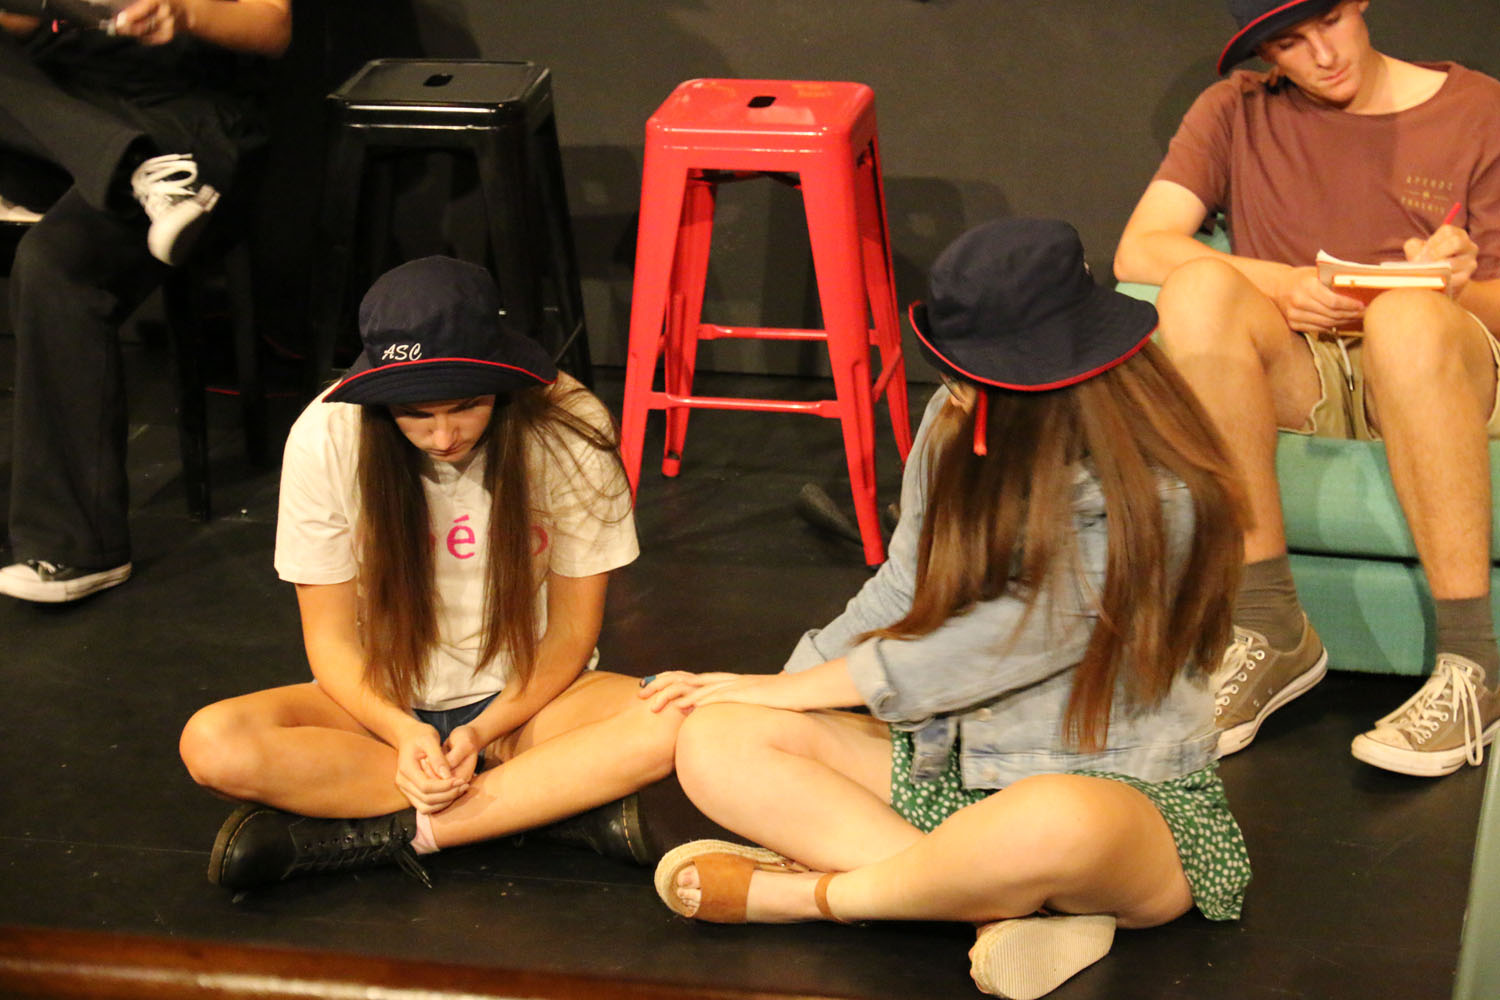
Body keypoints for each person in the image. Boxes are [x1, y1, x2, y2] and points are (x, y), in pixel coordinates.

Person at [637, 219, 1252, 1000]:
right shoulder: (958, 417)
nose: (955, 391)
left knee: (1052, 819)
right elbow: (904, 591)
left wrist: (789, 691)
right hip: (950, 767)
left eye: (978, 377)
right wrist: (776, 691)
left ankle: (813, 897)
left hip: (1117, 798)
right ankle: (989, 911)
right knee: (718, 738)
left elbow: (998, 644)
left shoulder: (1164, 495)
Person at [178, 256, 683, 890]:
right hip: (379, 713)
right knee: (214, 743)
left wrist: (482, 730)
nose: (443, 436)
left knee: (680, 719)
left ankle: (409, 830)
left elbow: (571, 632)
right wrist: (401, 730)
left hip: (528, 706)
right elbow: (328, 638)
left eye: (466, 406)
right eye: (416, 413)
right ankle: (539, 804)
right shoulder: (326, 435)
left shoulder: (568, 425)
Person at [1113, 0, 1500, 776]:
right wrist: (1282, 284)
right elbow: (1140, 248)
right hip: (1306, 369)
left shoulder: (1477, 108)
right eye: (1290, 44)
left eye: (1328, 24)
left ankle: (1474, 665)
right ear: (1266, 55)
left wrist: (1449, 288)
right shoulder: (1235, 110)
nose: (1321, 56)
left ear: (1358, 3)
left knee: (1403, 319)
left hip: (1442, 358)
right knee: (1197, 291)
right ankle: (1269, 628)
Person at [0, 0, 290, 603]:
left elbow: (271, 25)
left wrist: (183, 14)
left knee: (56, 266)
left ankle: (78, 550)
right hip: (57, 120)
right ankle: (129, 166)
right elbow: (25, 23)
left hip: (184, 125)